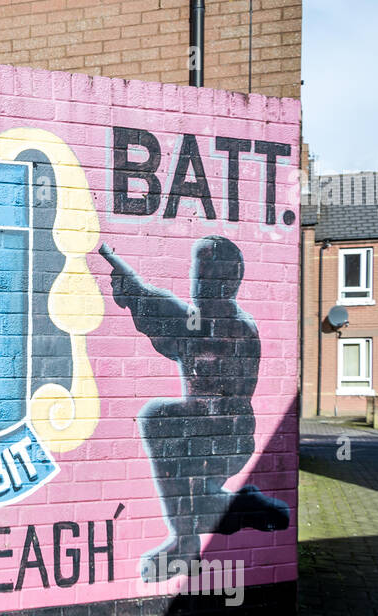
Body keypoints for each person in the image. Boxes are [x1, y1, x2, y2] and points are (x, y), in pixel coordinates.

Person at [100, 236, 289, 582]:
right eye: (198, 274)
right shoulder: (198, 322)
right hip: (198, 435)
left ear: (231, 282)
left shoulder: (238, 329)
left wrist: (140, 298)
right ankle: (238, 509)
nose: (200, 284)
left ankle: (189, 542)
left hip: (227, 440)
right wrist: (135, 294)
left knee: (160, 422)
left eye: (210, 277)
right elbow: (167, 319)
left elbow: (178, 325)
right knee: (193, 498)